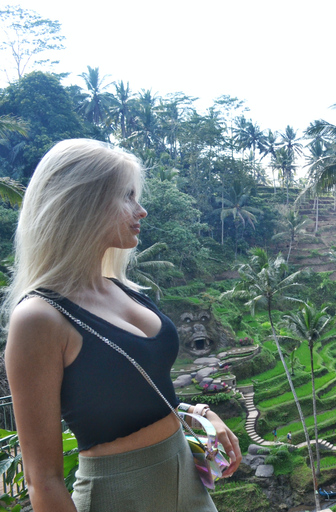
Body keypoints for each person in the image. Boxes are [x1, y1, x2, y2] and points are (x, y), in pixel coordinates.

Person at [1, 139, 242, 512]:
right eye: (127, 196)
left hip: (189, 484)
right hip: (118, 494)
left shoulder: (124, 290)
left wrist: (200, 412)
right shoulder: (39, 318)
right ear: (81, 202)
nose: (141, 210)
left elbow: (133, 388)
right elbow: (42, 479)